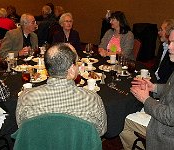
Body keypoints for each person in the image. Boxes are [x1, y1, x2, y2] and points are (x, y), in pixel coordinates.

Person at [16, 43, 107, 136]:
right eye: (76, 63)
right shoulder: (92, 99)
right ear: (71, 70)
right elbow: (101, 131)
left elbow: (22, 129)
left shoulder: (26, 98)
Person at [119, 19, 174, 150]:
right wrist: (153, 87)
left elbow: (169, 117)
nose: (170, 47)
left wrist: (146, 99)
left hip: (166, 134)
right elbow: (170, 88)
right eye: (171, 42)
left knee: (123, 122)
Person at [153, 19, 174, 83]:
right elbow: (156, 66)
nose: (158, 32)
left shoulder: (172, 54)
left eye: (161, 30)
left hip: (162, 84)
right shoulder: (162, 45)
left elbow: (167, 80)